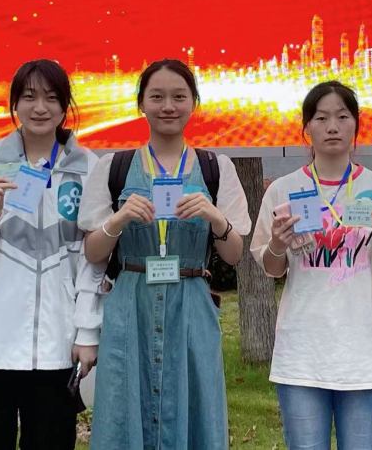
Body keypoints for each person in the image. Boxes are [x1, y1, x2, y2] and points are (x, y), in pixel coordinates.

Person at [78, 58, 251, 450]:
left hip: (192, 306)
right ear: (141, 104)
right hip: (131, 305)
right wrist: (119, 218)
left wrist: (215, 217)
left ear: (194, 103)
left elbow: (234, 254)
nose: (168, 106)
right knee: (124, 409)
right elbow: (92, 251)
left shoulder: (215, 168)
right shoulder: (114, 167)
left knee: (195, 407)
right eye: (156, 97)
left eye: (179, 96)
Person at [0, 59, 102, 450]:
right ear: (15, 104)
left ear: (65, 106)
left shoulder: (90, 169)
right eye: (29, 97)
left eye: (51, 97)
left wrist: (86, 332)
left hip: (57, 349)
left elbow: (93, 262)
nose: (40, 107)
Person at [250, 80, 372, 450]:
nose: (332, 126)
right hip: (302, 352)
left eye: (342, 116)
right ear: (306, 127)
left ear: (356, 124)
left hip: (363, 353)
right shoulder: (283, 189)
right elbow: (272, 268)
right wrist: (277, 243)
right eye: (321, 118)